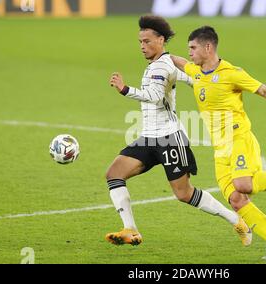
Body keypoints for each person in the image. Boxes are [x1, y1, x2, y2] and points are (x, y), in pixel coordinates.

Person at [170, 26, 266, 260]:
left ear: (208, 47)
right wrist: (159, 51)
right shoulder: (196, 71)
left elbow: (265, 90)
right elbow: (179, 61)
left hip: (239, 138)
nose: (189, 52)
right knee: (235, 199)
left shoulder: (231, 73)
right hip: (220, 148)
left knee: (243, 185)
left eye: (193, 47)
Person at [105, 16, 252, 247]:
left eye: (147, 41)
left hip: (169, 139)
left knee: (184, 194)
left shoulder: (162, 66)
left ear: (161, 40)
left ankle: (237, 220)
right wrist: (206, 80)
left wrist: (125, 89)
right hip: (149, 137)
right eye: (140, 42)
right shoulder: (162, 63)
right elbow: (194, 78)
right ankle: (130, 229)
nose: (142, 46)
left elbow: (154, 97)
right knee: (114, 174)